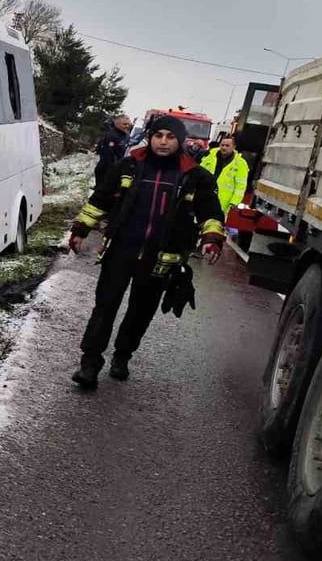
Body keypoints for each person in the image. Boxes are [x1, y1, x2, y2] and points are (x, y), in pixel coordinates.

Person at [67, 115, 227, 389]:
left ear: (180, 141)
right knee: (104, 308)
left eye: (170, 137)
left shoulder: (195, 176)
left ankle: (122, 356)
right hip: (120, 252)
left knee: (140, 313)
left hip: (160, 261)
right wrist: (81, 228)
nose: (163, 142)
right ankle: (89, 364)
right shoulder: (128, 166)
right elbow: (100, 199)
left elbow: (210, 211)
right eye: (158, 135)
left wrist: (212, 237)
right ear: (150, 137)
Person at [200, 134, 250, 218]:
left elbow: (240, 186)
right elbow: (198, 175)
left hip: (221, 204)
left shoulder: (240, 164)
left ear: (234, 147)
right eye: (222, 145)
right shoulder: (209, 157)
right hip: (203, 199)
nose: (224, 147)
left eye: (227, 145)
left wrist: (234, 202)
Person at [93, 114, 133, 188]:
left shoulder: (127, 136)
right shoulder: (111, 135)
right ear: (117, 124)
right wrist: (113, 169)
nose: (127, 126)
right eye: (124, 124)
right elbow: (107, 155)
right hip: (107, 169)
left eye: (128, 124)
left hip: (119, 169)